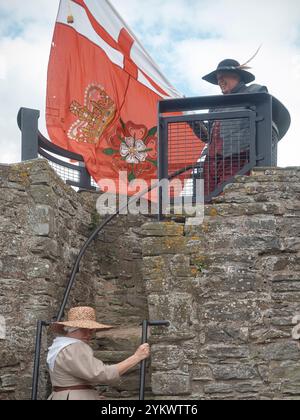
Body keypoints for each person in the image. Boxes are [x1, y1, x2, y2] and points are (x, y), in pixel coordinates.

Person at [196, 58, 279, 196]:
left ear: (236, 76)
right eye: (217, 79)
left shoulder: (255, 91)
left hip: (237, 157)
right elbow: (208, 136)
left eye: (222, 77)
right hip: (211, 161)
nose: (219, 81)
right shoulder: (215, 106)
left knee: (227, 196)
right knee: (206, 199)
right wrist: (195, 123)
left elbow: (265, 124)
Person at [47, 307, 150, 400]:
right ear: (73, 329)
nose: (89, 334)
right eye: (84, 330)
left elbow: (70, 380)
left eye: (91, 330)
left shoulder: (59, 345)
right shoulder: (74, 347)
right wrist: (136, 357)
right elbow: (102, 374)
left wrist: (90, 395)